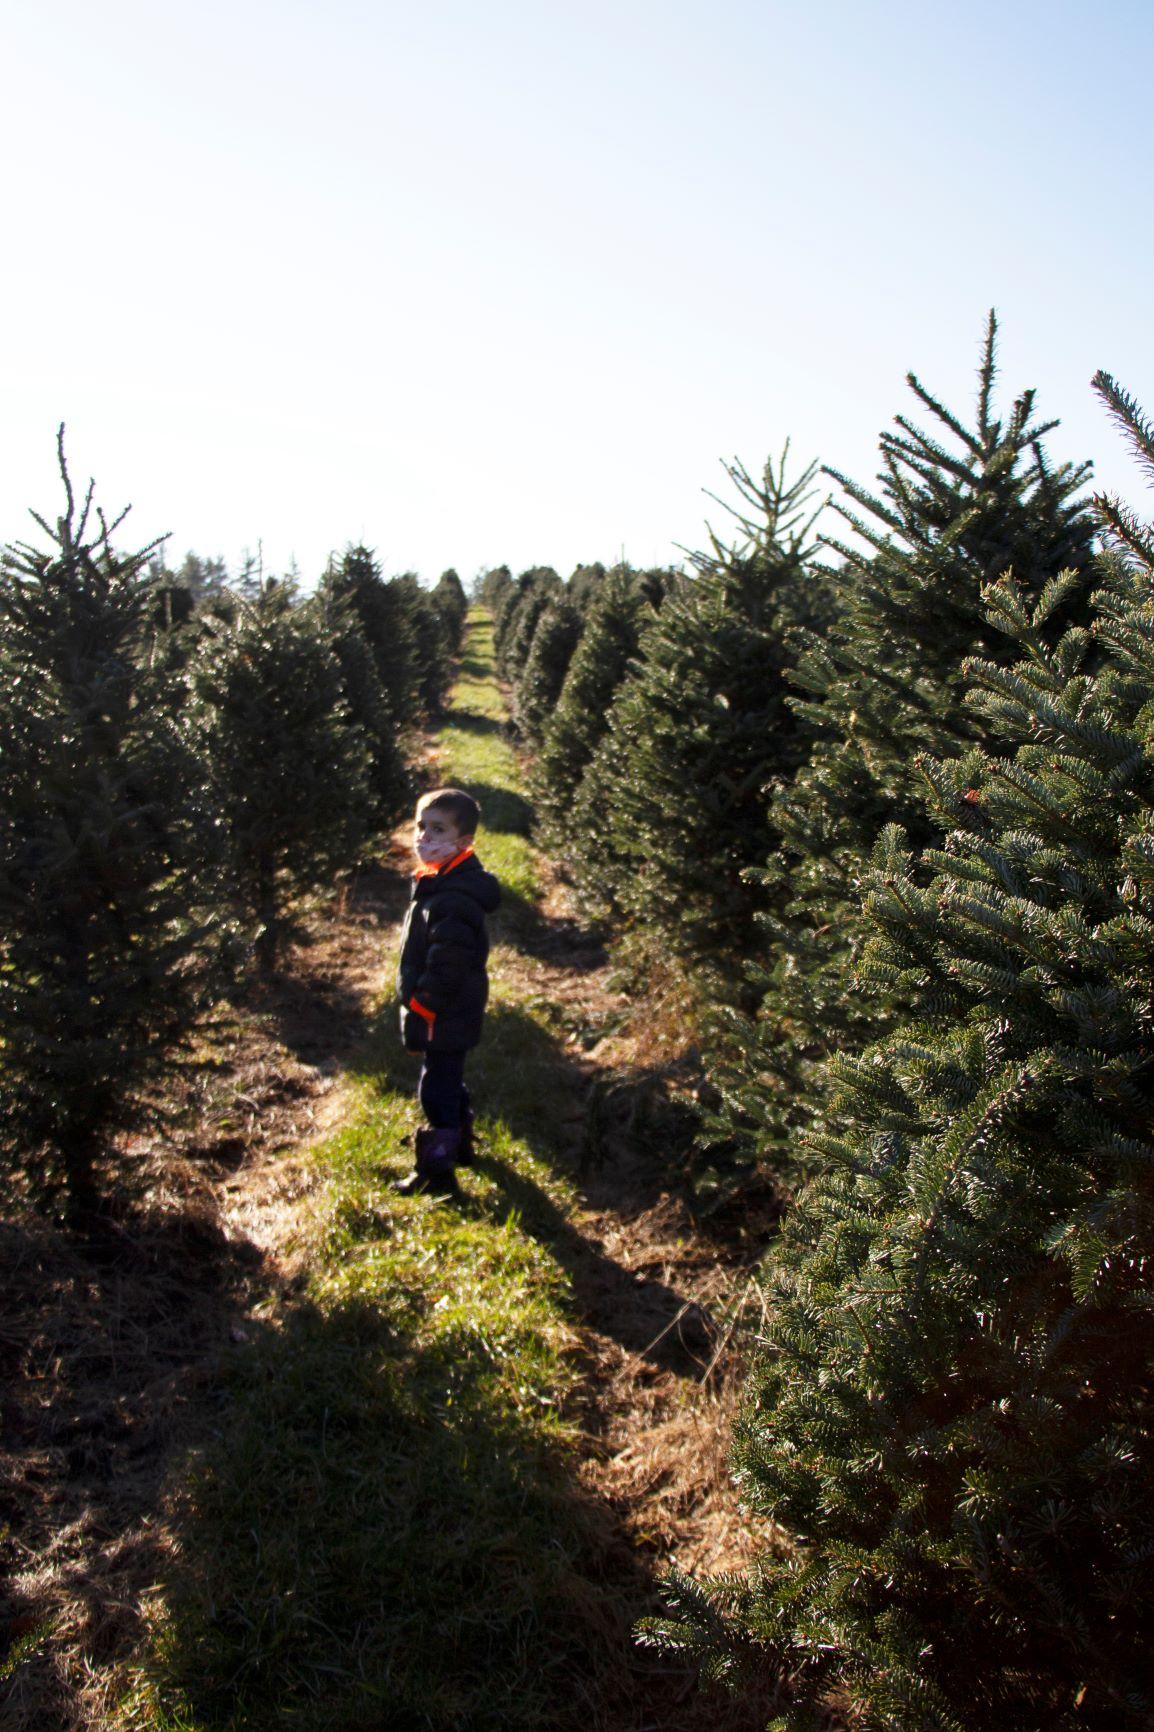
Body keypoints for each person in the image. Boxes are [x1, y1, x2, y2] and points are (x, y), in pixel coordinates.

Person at [395, 786, 500, 1194]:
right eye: (420, 826)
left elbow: (448, 963)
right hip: (451, 1009)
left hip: (442, 1010)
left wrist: (422, 1005)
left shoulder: (453, 899)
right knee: (448, 1077)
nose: (424, 837)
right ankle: (462, 1143)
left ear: (464, 842)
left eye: (437, 830)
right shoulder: (440, 884)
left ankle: (438, 1172)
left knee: (435, 1087)